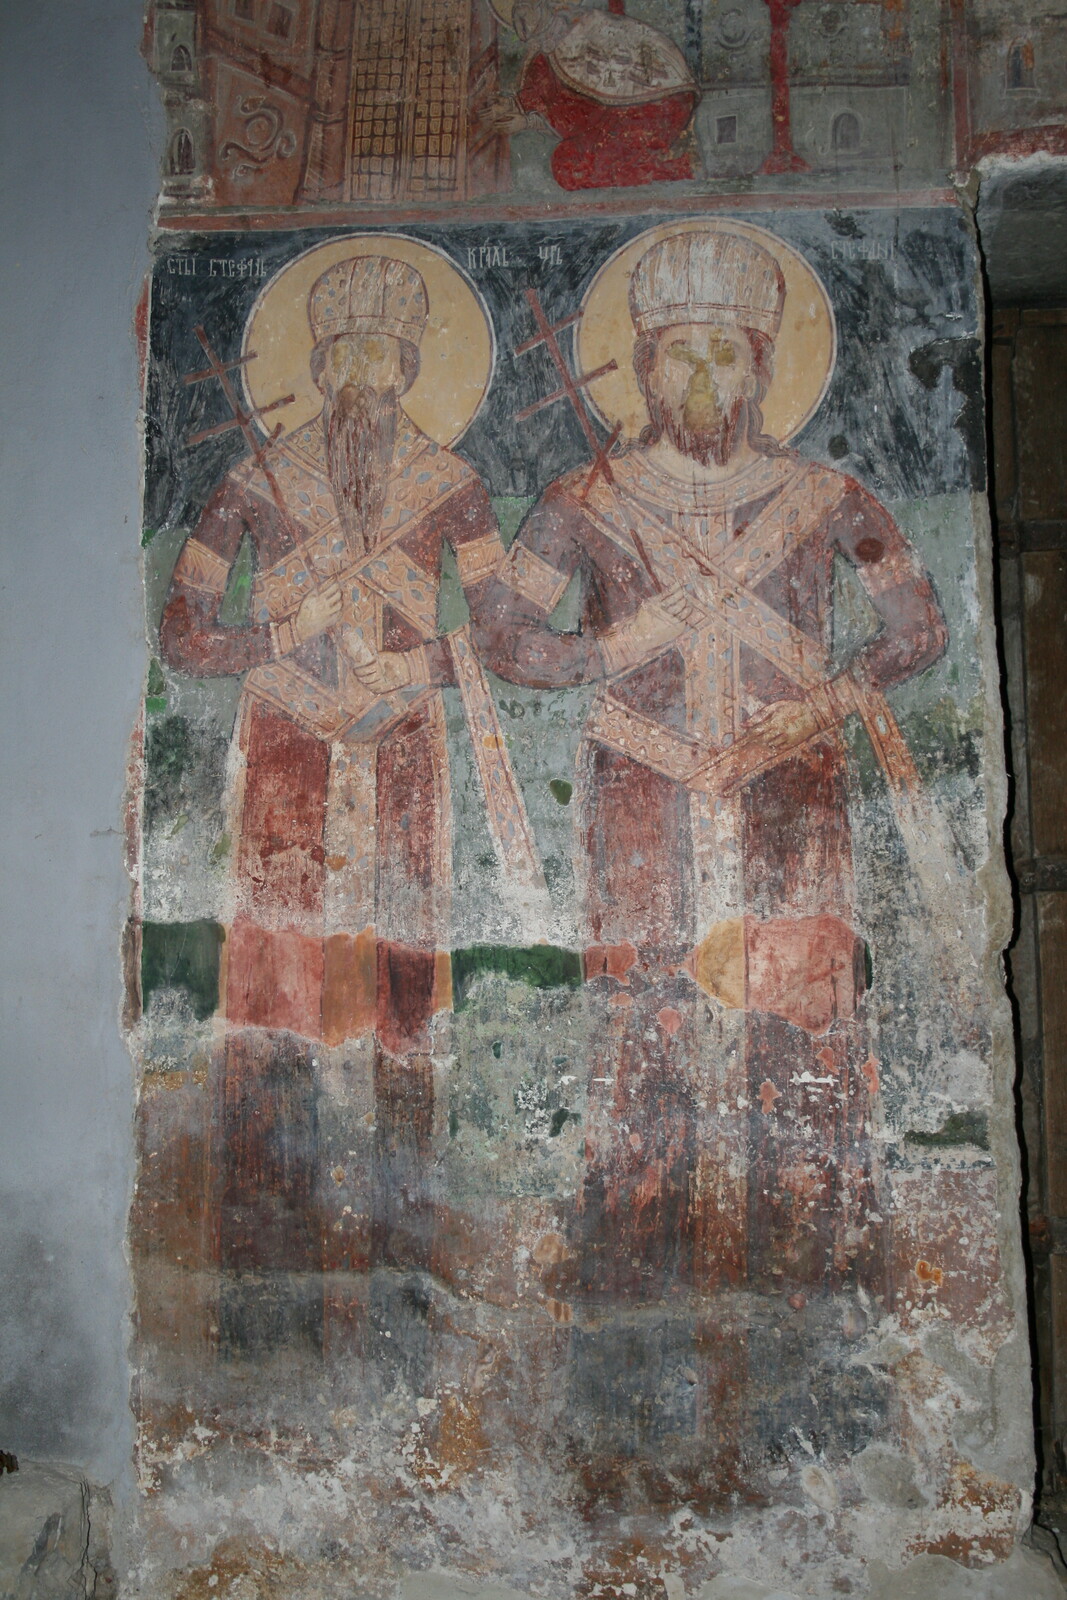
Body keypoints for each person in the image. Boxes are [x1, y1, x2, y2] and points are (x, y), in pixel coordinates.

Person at [472, 227, 948, 1297]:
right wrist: (608, 650)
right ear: (643, 366)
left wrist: (818, 705)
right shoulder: (583, 499)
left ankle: (813, 1247)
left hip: (790, 785)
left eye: (723, 353)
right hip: (641, 781)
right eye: (678, 352)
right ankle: (636, 1246)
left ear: (760, 367)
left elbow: (916, 629)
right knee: (644, 1006)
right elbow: (500, 635)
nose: (700, 377)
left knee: (801, 1006)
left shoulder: (824, 497)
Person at [160, 253, 509, 1319]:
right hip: (285, 743)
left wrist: (421, 664)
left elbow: (501, 637)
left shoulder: (451, 485)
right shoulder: (255, 482)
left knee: (406, 982)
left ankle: (405, 1250)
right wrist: (278, 633)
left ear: (410, 367)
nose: (364, 376)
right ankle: (267, 1256)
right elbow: (183, 635)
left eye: (384, 355)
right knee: (273, 977)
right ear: (317, 367)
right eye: (345, 354)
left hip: (402, 747)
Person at [483, 0, 698, 190]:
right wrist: (509, 105)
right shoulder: (542, 56)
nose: (522, 20)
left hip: (653, 105)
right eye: (517, 9)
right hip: (608, 120)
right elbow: (540, 97)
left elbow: (579, 114)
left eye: (527, 6)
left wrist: (528, 122)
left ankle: (677, 166)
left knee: (571, 166)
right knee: (566, 162)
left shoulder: (583, 26)